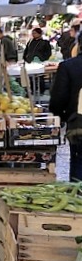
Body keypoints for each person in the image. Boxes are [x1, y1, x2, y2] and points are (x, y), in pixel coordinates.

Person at [49, 48, 82, 182]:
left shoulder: (68, 66)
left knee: (79, 162)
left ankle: (78, 199)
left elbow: (59, 98)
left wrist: (60, 117)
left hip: (78, 124)